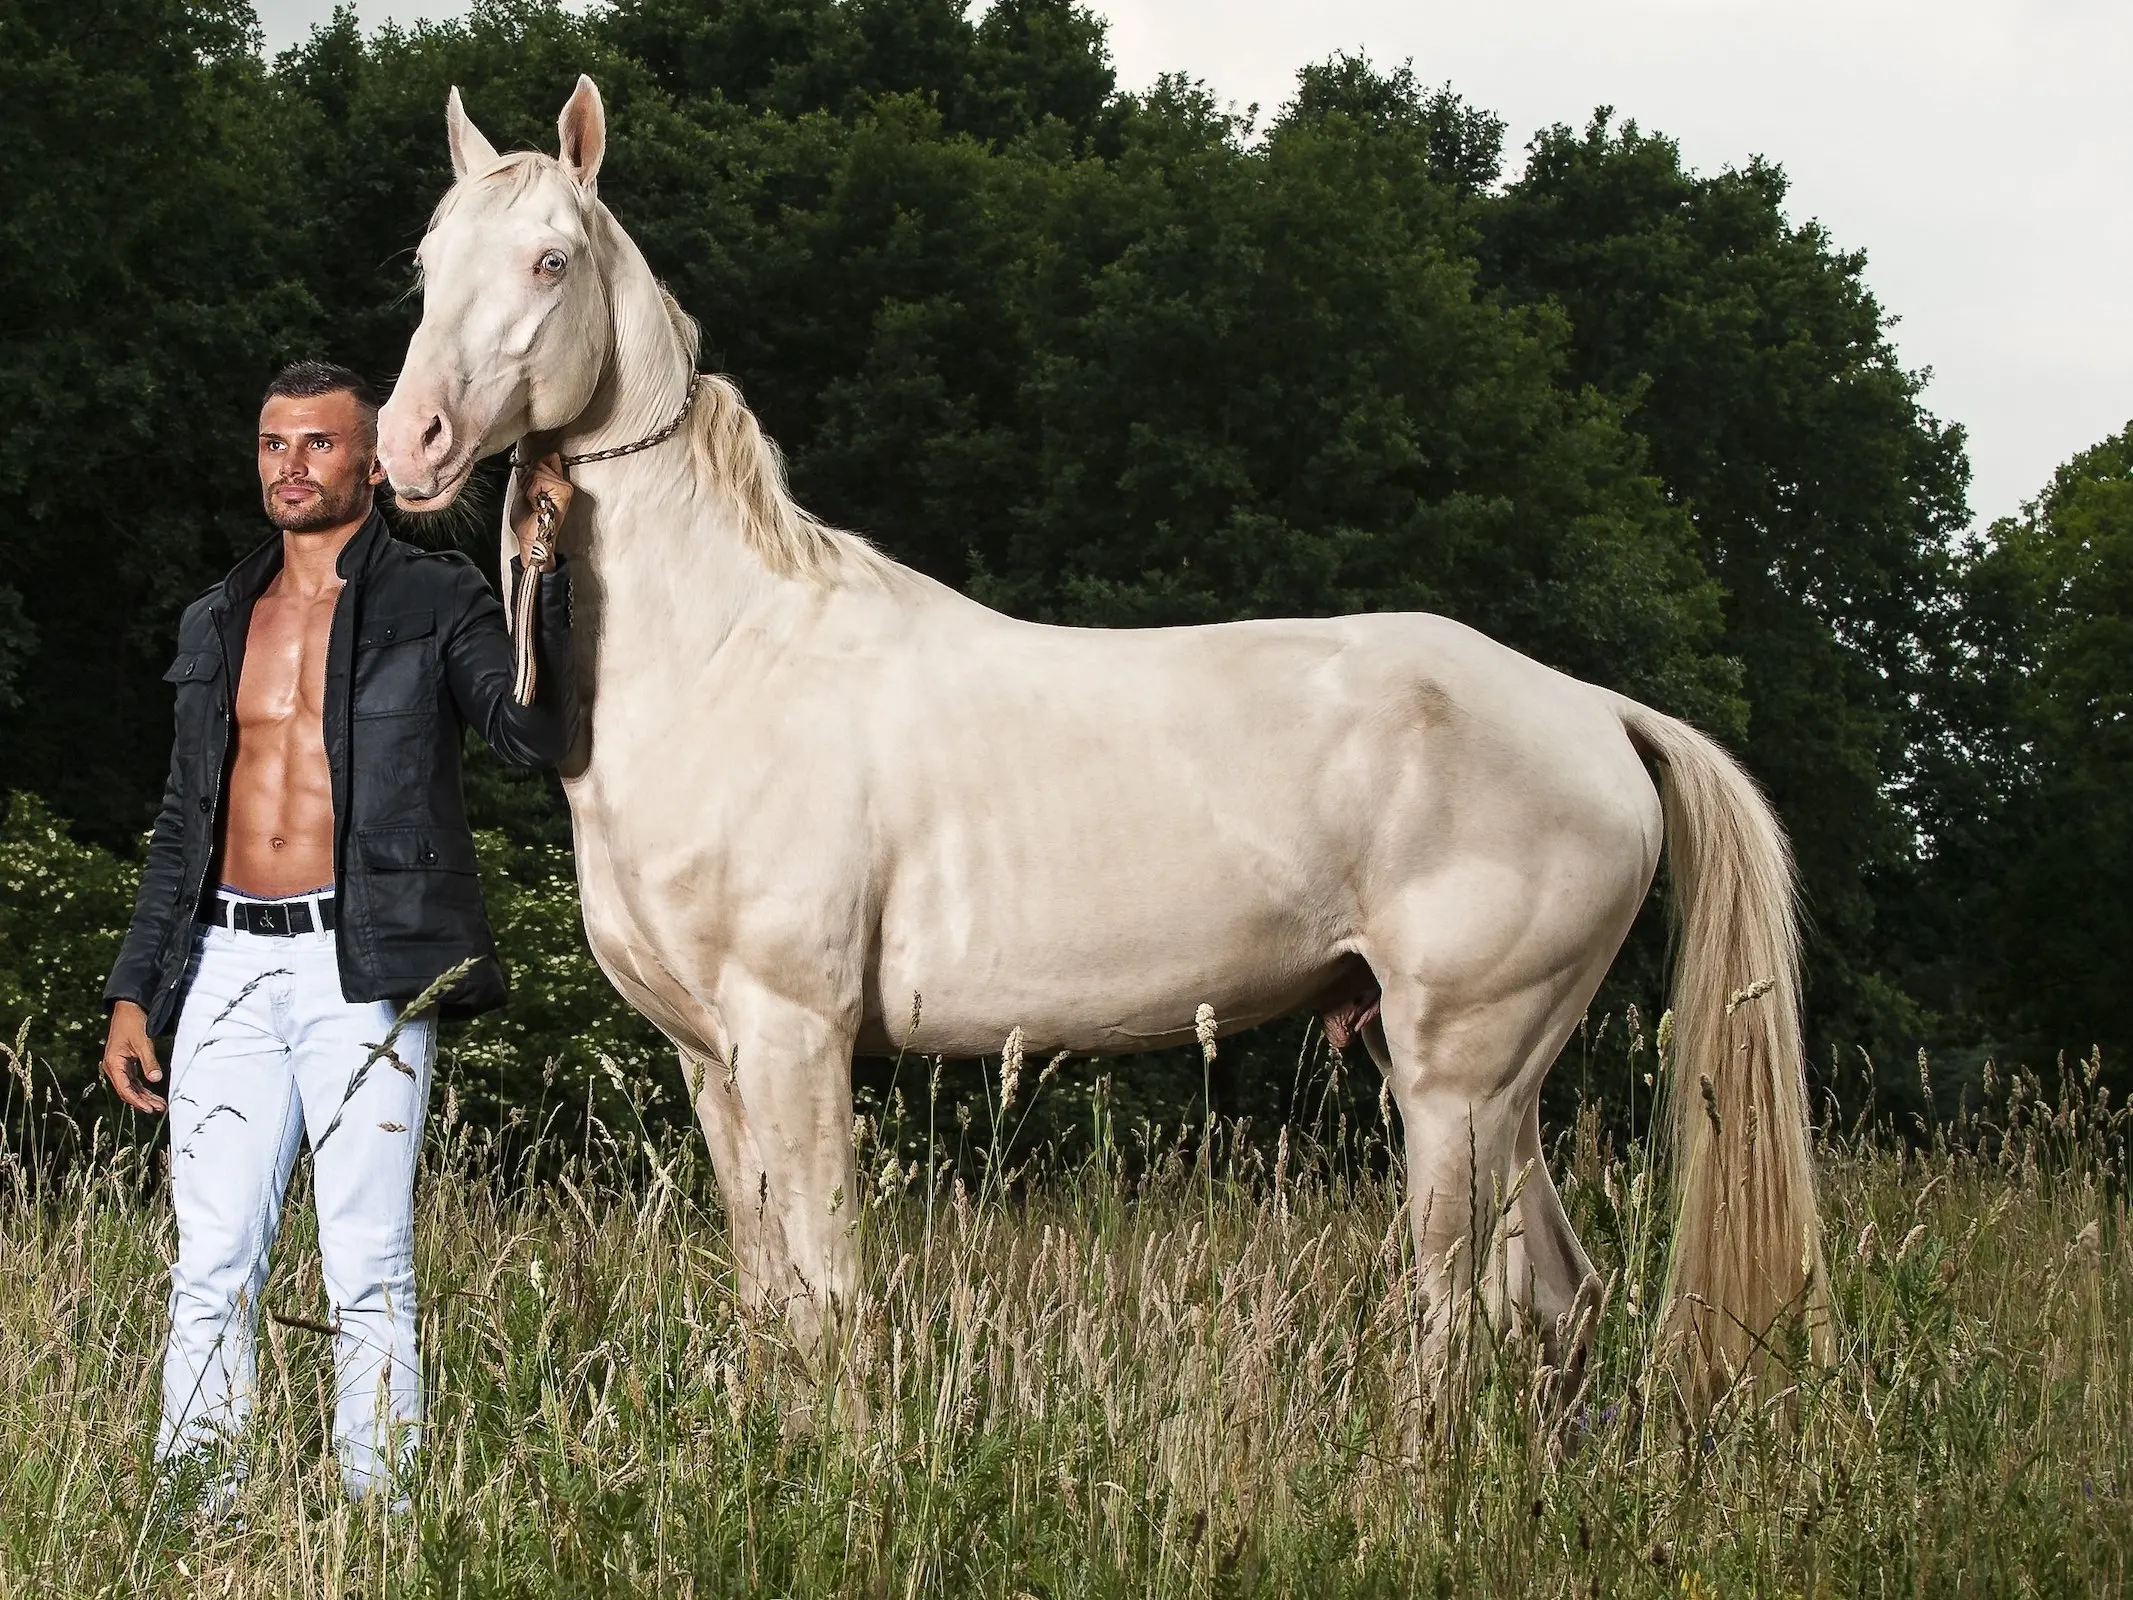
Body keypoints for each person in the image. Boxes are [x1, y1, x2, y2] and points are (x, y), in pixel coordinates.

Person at [99, 359, 580, 1510]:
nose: (291, 466)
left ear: (370, 459)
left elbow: (531, 733)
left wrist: (542, 570)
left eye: (317, 444)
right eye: (273, 444)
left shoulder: (433, 595)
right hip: (220, 961)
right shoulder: (221, 614)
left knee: (370, 1266)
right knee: (212, 1266)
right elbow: (183, 819)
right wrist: (134, 989)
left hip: (360, 964)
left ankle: (380, 1519)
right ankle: (198, 1510)